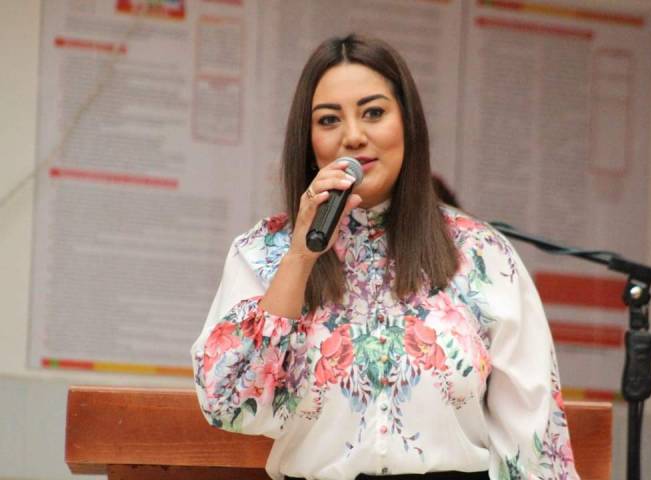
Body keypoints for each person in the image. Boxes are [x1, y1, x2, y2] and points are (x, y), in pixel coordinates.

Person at [191, 34, 579, 480]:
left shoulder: (483, 254)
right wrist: (299, 256)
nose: (353, 136)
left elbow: (533, 439)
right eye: (329, 119)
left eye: (373, 113)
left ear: (407, 124)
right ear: (308, 140)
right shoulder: (263, 252)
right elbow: (227, 403)